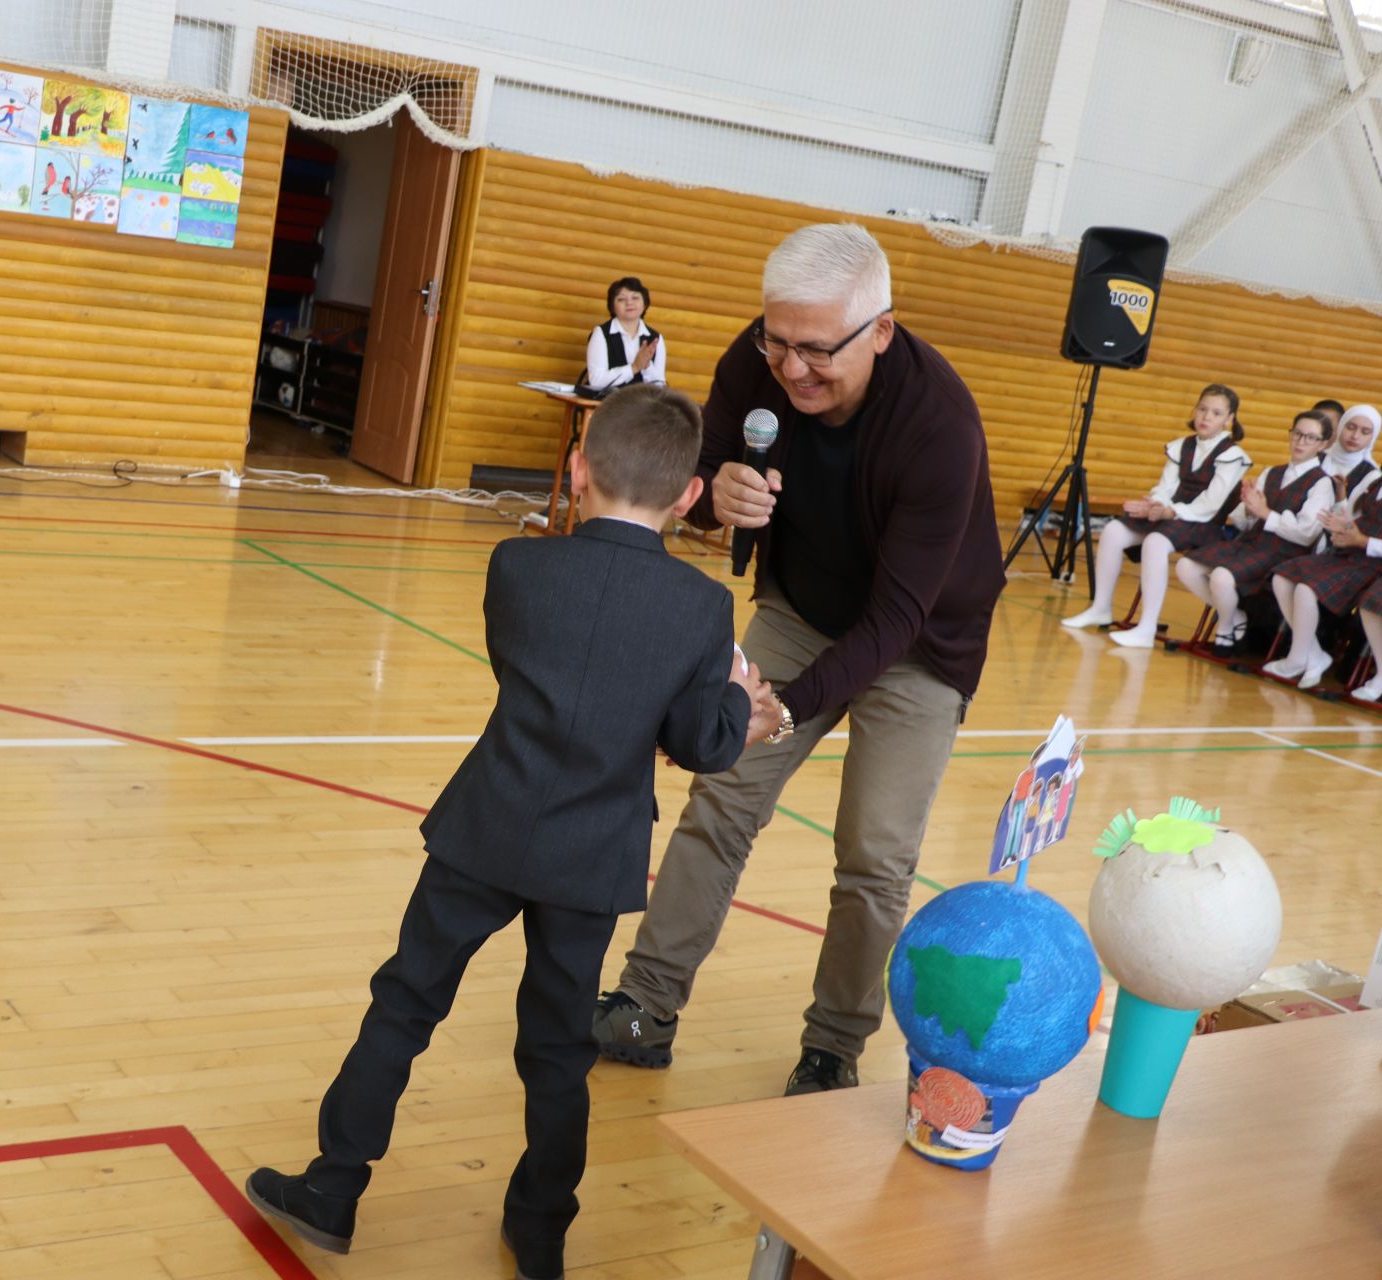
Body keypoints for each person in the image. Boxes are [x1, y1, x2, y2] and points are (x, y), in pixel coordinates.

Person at [245, 383, 779, 1280]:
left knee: (405, 1003)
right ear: (690, 496)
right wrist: (740, 706)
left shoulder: (515, 567)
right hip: (592, 853)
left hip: (486, 827)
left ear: (578, 468)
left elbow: (528, 672)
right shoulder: (699, 609)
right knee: (558, 1048)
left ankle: (333, 1188)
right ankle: (539, 1229)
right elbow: (695, 744)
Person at [591, 223, 1005, 1095]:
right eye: (777, 341)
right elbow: (699, 475)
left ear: (880, 332)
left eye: (817, 350)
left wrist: (780, 705)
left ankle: (834, 1047)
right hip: (803, 606)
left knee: (874, 851)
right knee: (723, 796)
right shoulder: (758, 358)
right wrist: (716, 504)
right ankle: (646, 1003)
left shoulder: (940, 425)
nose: (792, 368)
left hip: (921, 642)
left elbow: (895, 617)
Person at [1060, 385, 1252, 647]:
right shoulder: (1181, 446)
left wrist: (1169, 511)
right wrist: (1154, 504)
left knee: (1156, 542)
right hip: (1171, 515)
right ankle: (1100, 607)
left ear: (1229, 419)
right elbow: (1165, 487)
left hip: (1203, 523)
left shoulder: (1233, 456)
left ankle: (1147, 628)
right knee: (1113, 531)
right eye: (1203, 409)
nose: (1206, 417)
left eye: (1216, 413)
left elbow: (1211, 504)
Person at [1173, 410, 1334, 655]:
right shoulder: (1272, 472)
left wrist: (1266, 513)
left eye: (1310, 438)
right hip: (1252, 543)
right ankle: (1234, 616)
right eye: (1298, 434)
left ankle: (1226, 626)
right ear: (1290, 434)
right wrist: (1248, 508)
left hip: (1284, 553)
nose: (1301, 442)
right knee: (1185, 567)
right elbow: (1243, 521)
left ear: (1323, 444)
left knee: (1221, 577)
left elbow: (1307, 534)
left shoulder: (1322, 483)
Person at [1262, 462, 1382, 689]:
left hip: (1372, 563)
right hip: (1349, 553)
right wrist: (1341, 526)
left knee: (1307, 589)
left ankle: (1298, 658)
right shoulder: (1376, 482)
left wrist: (1363, 542)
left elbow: (1362, 537)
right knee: (1282, 578)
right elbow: (1353, 519)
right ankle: (1313, 655)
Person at [581, 277, 666, 395]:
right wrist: (634, 368)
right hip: (608, 405)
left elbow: (659, 388)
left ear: (645, 303)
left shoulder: (655, 338)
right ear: (612, 307)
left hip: (643, 407)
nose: (629, 303)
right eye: (621, 299)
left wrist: (647, 367)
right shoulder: (601, 333)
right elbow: (596, 381)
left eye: (635, 297)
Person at [1323, 403, 1378, 489]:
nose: (1355, 436)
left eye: (1365, 432)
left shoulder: (1372, 475)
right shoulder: (1316, 458)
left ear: (1372, 438)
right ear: (1340, 427)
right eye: (1351, 427)